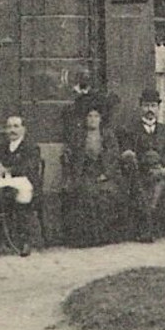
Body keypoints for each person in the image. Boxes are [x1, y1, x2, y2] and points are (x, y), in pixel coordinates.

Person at [116, 88, 165, 242]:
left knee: (162, 179)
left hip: (163, 171)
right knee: (153, 182)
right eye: (146, 106)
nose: (149, 110)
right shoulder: (130, 130)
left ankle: (148, 228)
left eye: (153, 106)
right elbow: (126, 153)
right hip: (140, 175)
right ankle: (148, 226)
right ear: (140, 108)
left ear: (158, 108)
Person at [62, 104, 122, 247]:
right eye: (89, 116)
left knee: (105, 193)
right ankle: (86, 239)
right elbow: (70, 154)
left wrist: (106, 174)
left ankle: (103, 237)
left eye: (96, 116)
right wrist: (67, 157)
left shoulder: (108, 135)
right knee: (85, 192)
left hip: (103, 173)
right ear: (85, 119)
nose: (93, 119)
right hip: (83, 173)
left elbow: (114, 157)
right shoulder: (78, 135)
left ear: (101, 119)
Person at [0, 114, 44, 251]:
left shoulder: (31, 147)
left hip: (27, 186)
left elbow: (29, 168)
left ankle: (25, 241)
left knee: (19, 197)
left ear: (23, 129)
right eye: (8, 127)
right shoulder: (1, 148)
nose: (12, 130)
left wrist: (7, 170)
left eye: (16, 126)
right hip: (5, 186)